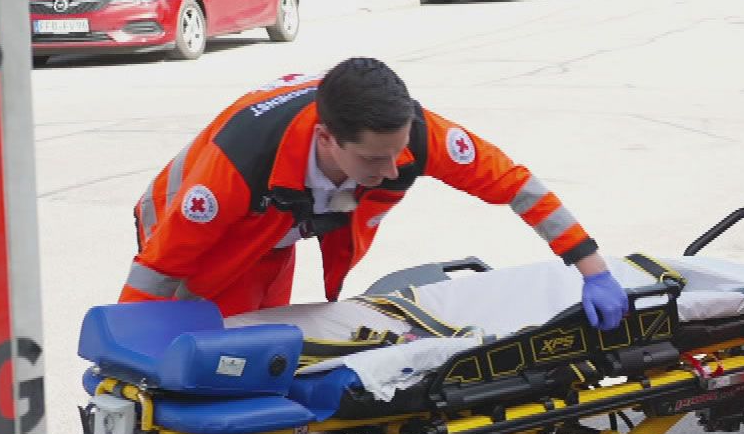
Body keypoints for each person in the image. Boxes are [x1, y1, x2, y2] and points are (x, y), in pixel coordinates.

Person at [123, 57, 627, 324]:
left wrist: (594, 271)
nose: (391, 171)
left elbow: (517, 187)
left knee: (256, 359)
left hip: (272, 239)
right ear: (326, 139)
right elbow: (160, 269)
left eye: (398, 152)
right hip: (203, 239)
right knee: (204, 377)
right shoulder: (237, 167)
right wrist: (119, 357)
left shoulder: (412, 132)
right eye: (372, 159)